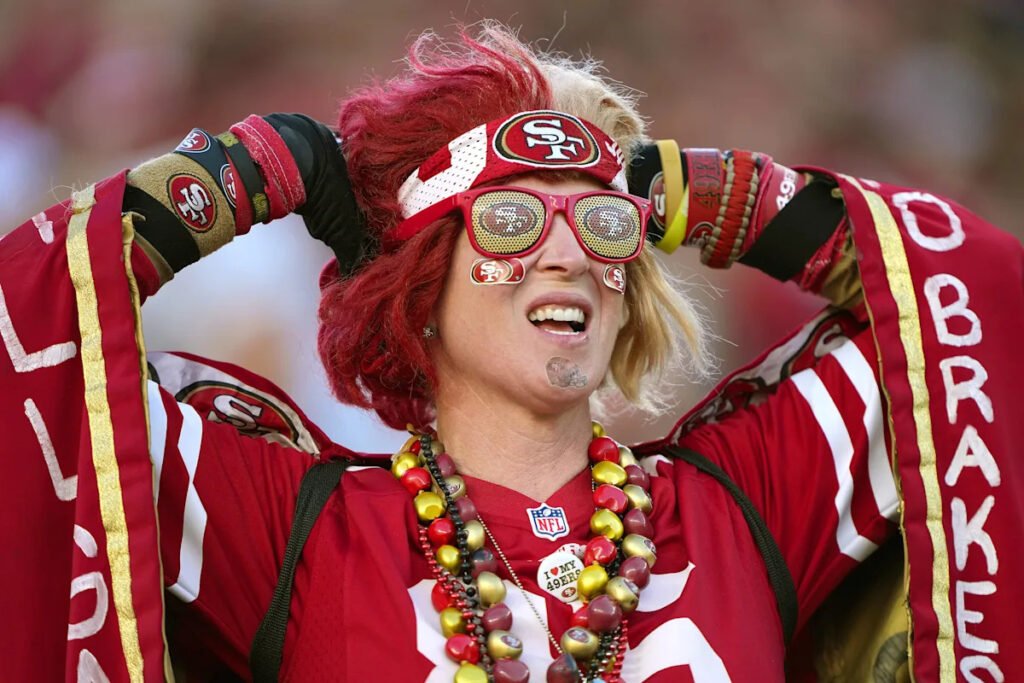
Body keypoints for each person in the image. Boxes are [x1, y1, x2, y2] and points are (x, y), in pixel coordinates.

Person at [1, 24, 1020, 683]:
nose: (567, 253)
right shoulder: (293, 530)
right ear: (420, 292)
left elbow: (977, 305)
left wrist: (701, 192)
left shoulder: (747, 500)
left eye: (602, 227)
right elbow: (32, 347)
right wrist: (260, 168)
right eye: (511, 222)